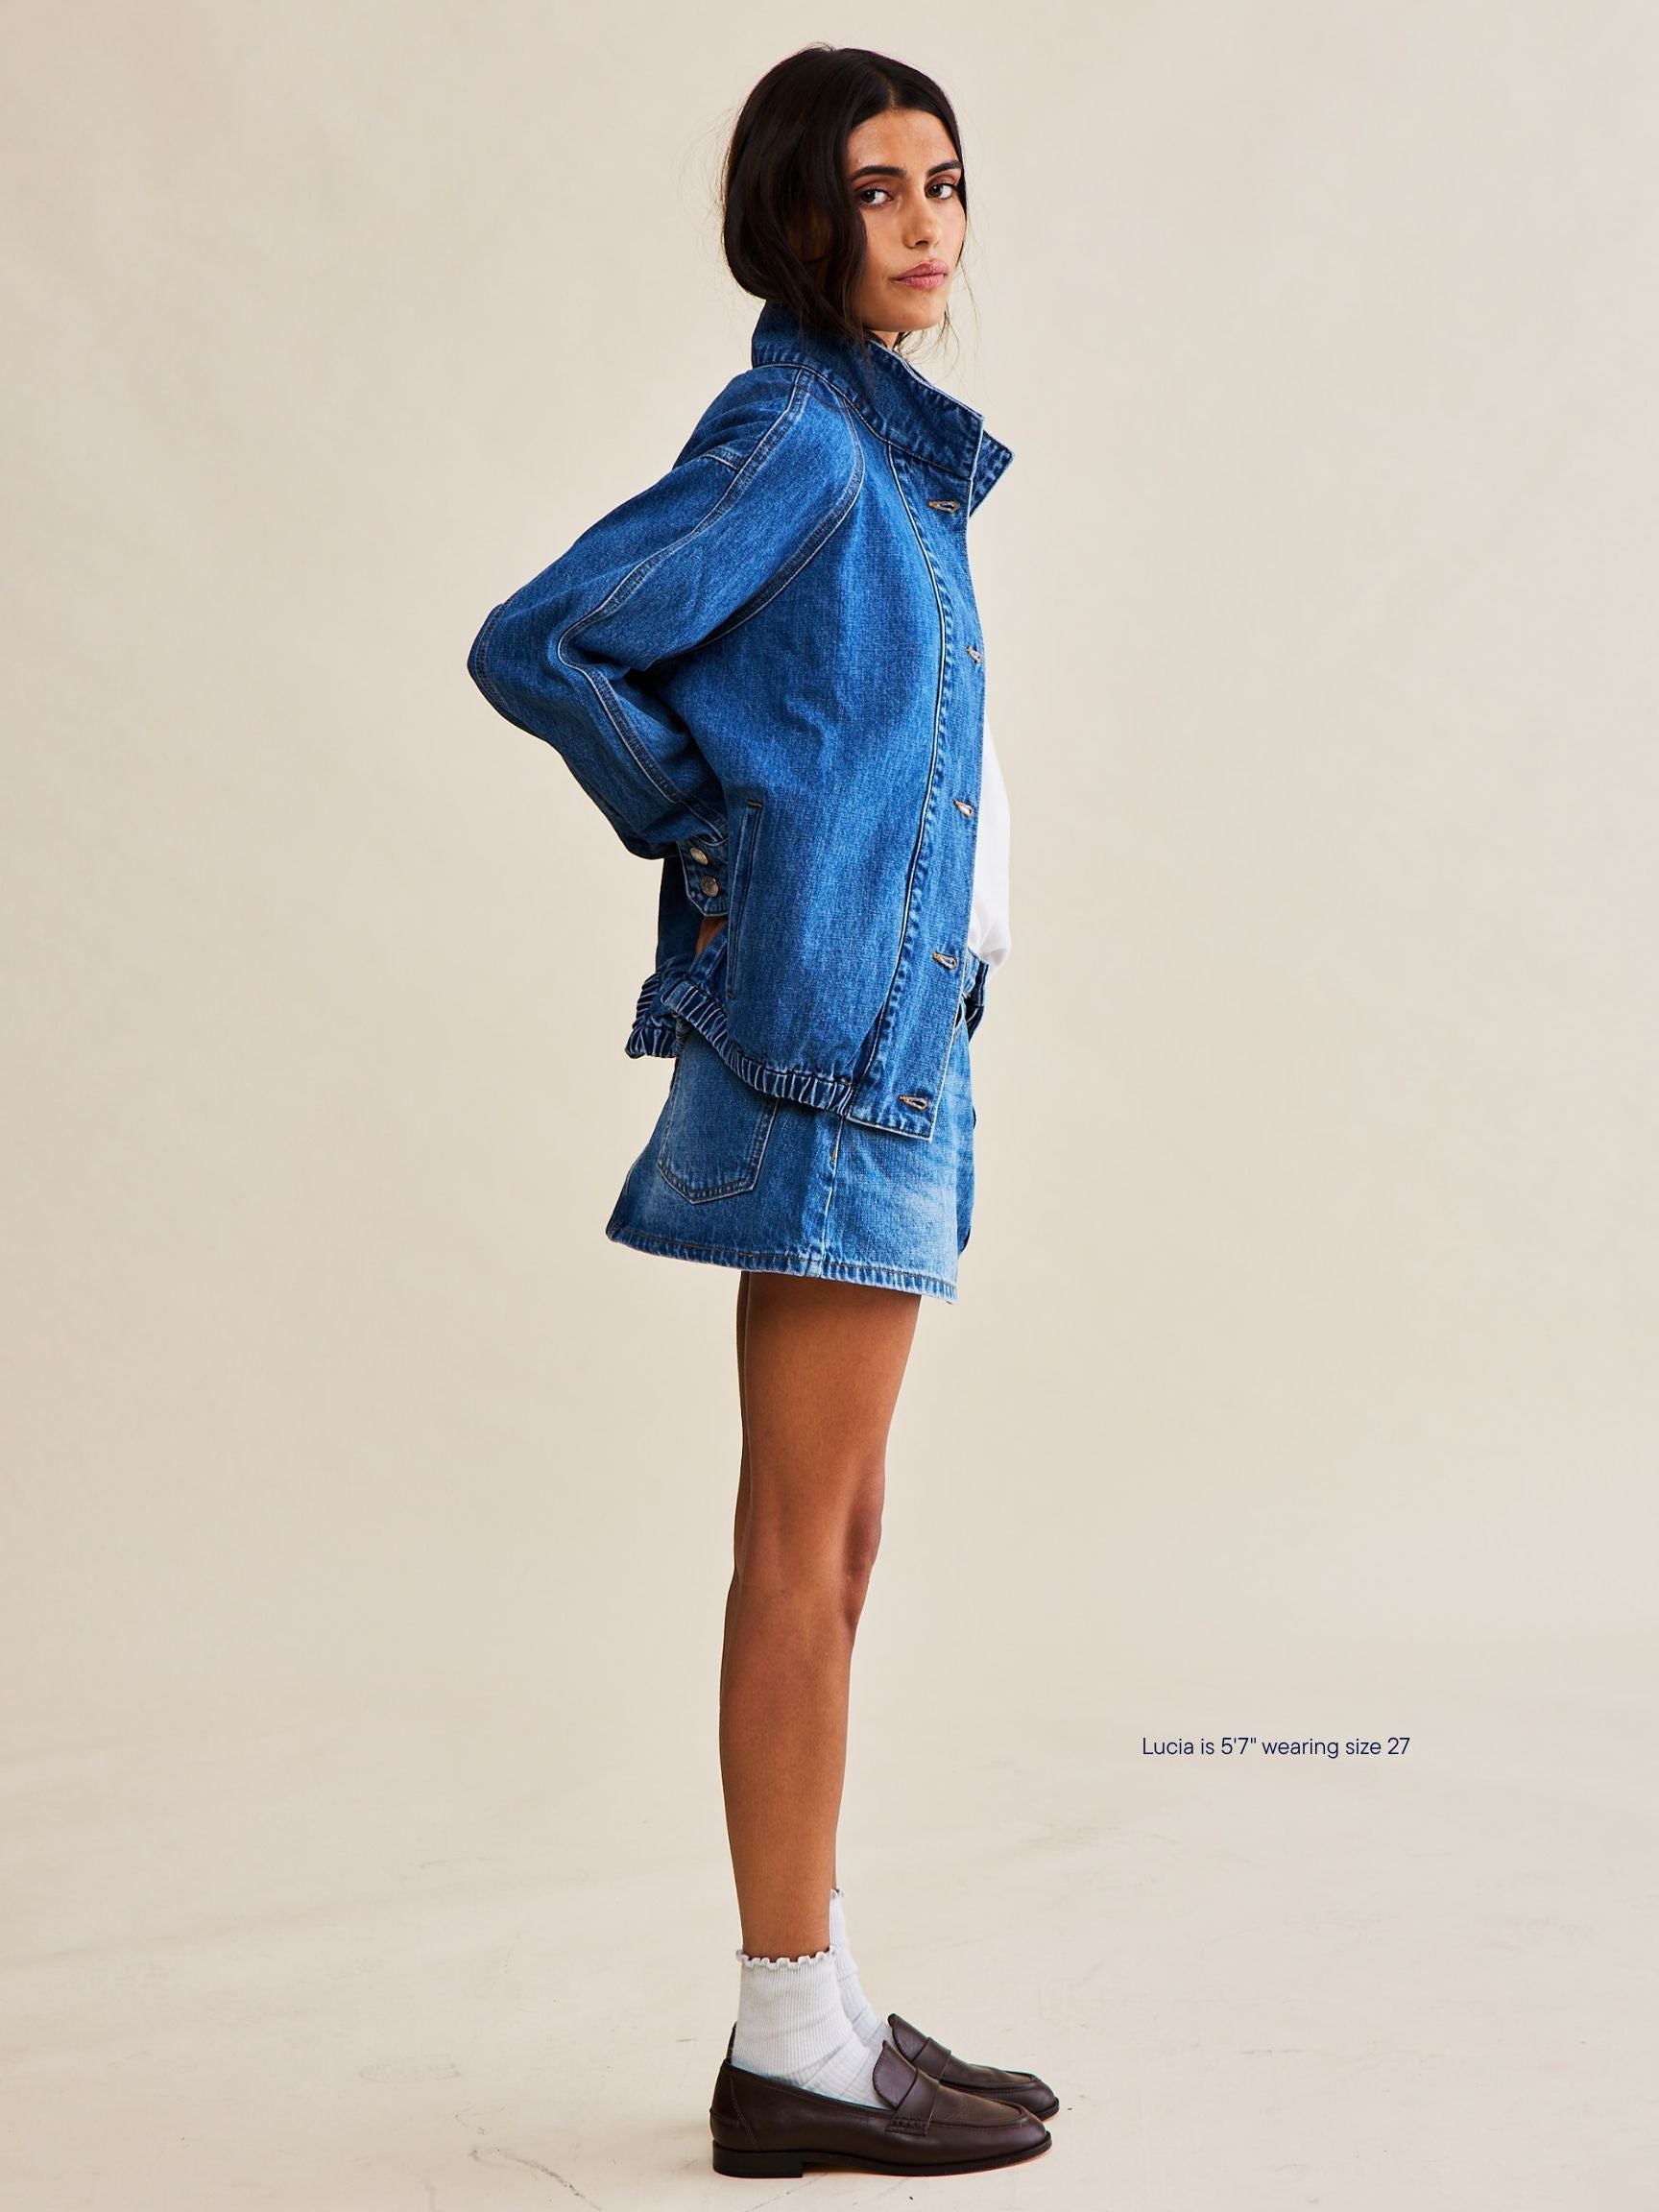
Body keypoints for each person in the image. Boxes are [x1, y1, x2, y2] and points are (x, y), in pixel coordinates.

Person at [466, 43, 1055, 2179]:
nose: (923, 222)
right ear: (796, 220)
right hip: (828, 1053)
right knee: (798, 1550)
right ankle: (788, 2040)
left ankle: (822, 1999)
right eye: (875, 189)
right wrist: (717, 836)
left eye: (944, 183)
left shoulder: (886, 455)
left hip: (895, 1047)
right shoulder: (798, 439)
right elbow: (543, 644)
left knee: (840, 1539)